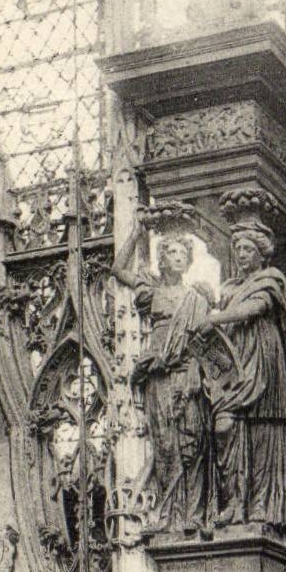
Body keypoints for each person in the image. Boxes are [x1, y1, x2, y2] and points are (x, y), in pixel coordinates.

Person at [112, 219, 213, 533]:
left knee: (192, 442)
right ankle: (169, 514)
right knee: (165, 444)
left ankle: (194, 514)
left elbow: (205, 340)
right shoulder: (152, 291)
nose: (178, 257)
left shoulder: (196, 297)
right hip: (158, 376)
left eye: (183, 253)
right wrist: (136, 231)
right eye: (172, 252)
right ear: (162, 259)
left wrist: (196, 370)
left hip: (187, 374)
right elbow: (117, 269)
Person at [202, 212, 286, 530]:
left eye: (247, 249)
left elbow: (255, 308)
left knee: (262, 430)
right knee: (227, 427)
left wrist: (215, 318)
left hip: (261, 354)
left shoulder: (271, 279)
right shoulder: (228, 288)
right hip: (234, 359)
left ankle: (261, 506)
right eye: (237, 249)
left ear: (261, 253)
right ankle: (234, 503)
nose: (241, 254)